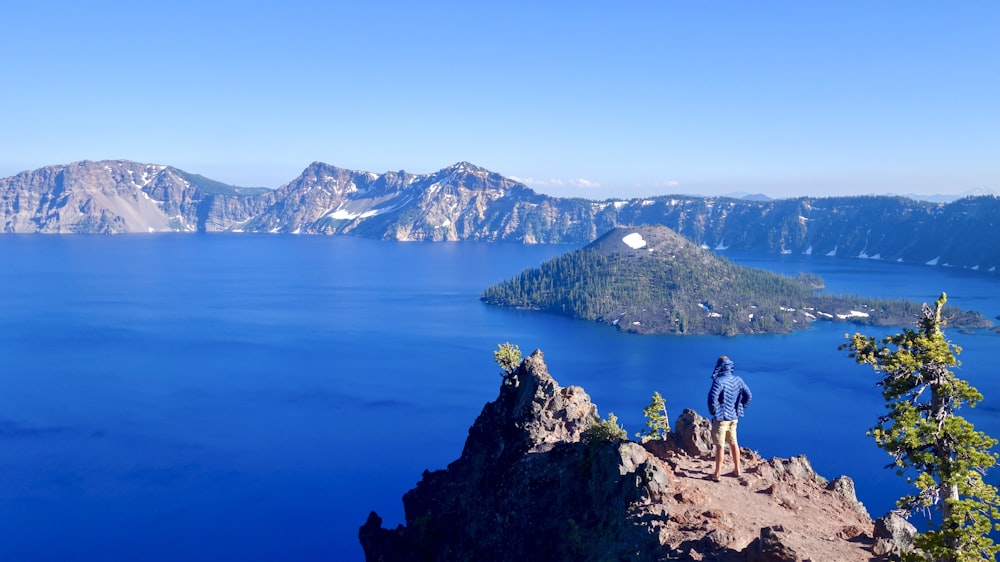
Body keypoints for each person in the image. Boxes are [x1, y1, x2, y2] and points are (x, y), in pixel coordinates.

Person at [707, 356, 752, 482]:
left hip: (722, 420)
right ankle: (737, 470)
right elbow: (748, 395)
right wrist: (740, 408)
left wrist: (715, 412)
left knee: (720, 446)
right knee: (734, 443)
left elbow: (712, 399)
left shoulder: (719, 381)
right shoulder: (738, 380)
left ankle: (717, 474)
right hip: (734, 418)